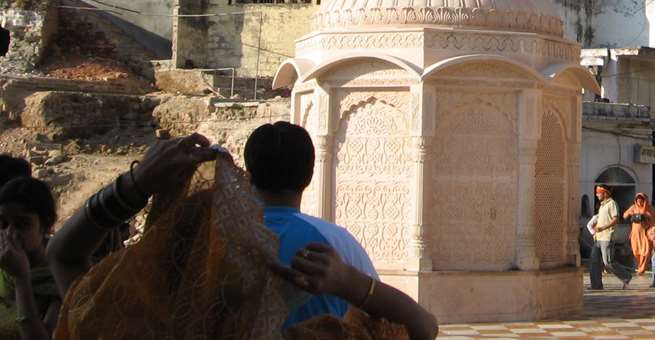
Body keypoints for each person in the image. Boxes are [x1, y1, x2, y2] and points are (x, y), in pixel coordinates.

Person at [47, 132, 439, 340]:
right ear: (308, 176)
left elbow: (63, 256)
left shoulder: (147, 323)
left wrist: (135, 184)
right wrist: (350, 284)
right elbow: (421, 327)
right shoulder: (332, 249)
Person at [244, 122, 379, 328]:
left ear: (248, 175)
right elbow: (382, 316)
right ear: (309, 176)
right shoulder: (336, 241)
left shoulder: (224, 236)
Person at [0, 177, 60, 339]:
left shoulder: (60, 279)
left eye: (22, 224)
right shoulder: (2, 267)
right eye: (3, 223)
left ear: (46, 225)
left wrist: (21, 280)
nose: (9, 233)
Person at [588, 186, 631, 291]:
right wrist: (595, 232)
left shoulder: (612, 204)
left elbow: (615, 219)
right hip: (598, 238)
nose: (597, 195)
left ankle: (626, 276)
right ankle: (596, 285)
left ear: (605, 193)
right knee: (594, 262)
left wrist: (602, 227)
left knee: (608, 262)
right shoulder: (602, 206)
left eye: (599, 193)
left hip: (607, 237)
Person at [622, 192, 655, 274]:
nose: (639, 202)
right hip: (635, 234)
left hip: (645, 233)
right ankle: (640, 267)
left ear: (645, 201)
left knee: (645, 251)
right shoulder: (633, 207)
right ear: (635, 201)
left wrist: (646, 214)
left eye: (641, 201)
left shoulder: (649, 208)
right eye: (638, 201)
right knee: (636, 251)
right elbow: (624, 215)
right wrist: (630, 213)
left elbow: (654, 219)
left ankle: (642, 268)